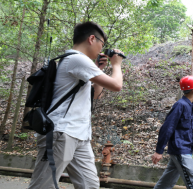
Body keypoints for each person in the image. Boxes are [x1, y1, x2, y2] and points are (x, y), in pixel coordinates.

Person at [28, 21, 123, 189]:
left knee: (90, 185)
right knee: (43, 186)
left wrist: (99, 69)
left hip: (79, 135)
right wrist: (116, 64)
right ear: (92, 39)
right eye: (102, 43)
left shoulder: (77, 62)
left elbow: (96, 95)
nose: (102, 49)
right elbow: (116, 85)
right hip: (61, 133)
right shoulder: (77, 59)